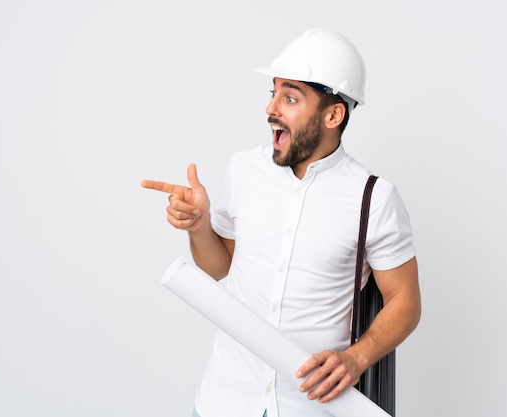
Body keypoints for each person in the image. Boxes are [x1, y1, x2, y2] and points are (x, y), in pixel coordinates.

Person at [141, 28, 421, 417]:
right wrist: (199, 227)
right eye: (272, 94)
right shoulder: (243, 169)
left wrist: (356, 359)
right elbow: (218, 266)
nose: (271, 109)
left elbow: (404, 300)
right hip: (224, 401)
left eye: (290, 98)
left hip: (309, 408)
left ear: (333, 114)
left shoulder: (373, 198)